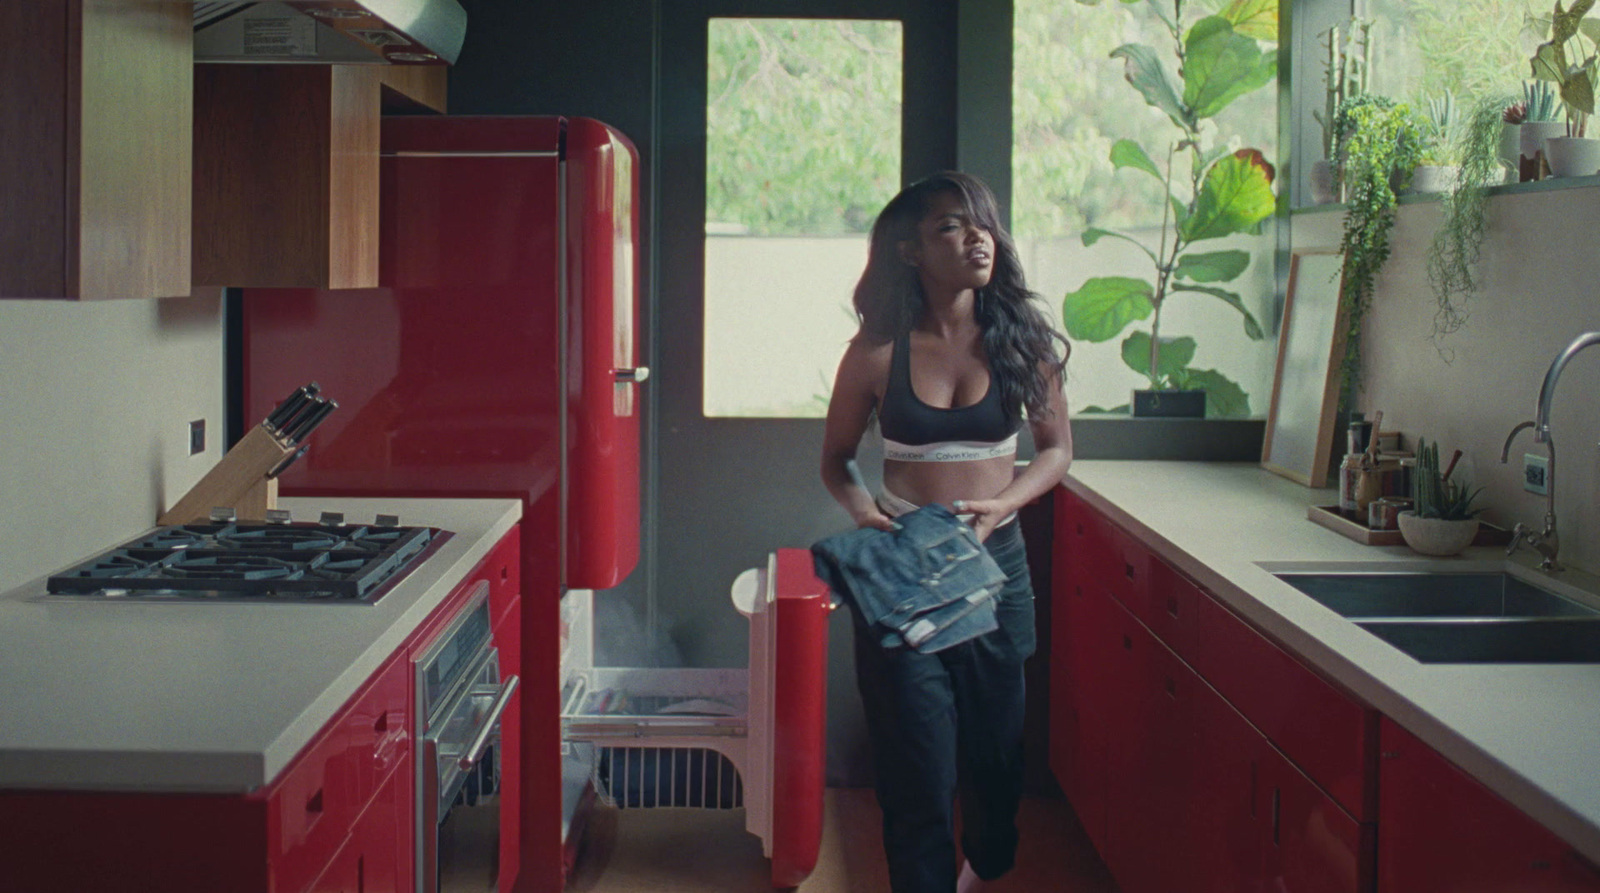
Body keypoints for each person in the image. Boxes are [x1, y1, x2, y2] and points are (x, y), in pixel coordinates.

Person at [820, 171, 1072, 893]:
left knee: (995, 765)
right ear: (909, 251)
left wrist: (1004, 503)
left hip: (997, 572)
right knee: (916, 766)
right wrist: (868, 515)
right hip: (906, 575)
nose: (975, 238)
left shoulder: (1024, 342)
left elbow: (1055, 448)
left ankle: (986, 863)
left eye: (981, 224)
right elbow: (836, 461)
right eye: (950, 228)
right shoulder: (873, 352)